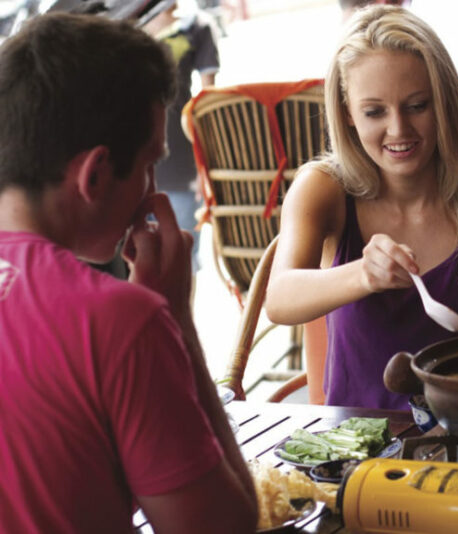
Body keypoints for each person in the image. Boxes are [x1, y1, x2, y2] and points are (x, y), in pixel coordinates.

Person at [0, 13, 256, 533]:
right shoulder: (117, 321)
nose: (152, 190)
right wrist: (177, 317)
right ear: (95, 175)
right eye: (148, 165)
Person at [265, 5, 458, 410]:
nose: (398, 130)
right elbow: (279, 298)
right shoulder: (323, 189)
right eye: (374, 111)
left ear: (444, 100)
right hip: (357, 453)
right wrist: (364, 273)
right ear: (347, 112)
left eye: (417, 105)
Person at [143, 0, 220, 270]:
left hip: (181, 166)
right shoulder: (121, 30)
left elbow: (207, 104)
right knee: (140, 259)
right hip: (134, 169)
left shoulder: (195, 26)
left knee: (183, 259)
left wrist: (204, 165)